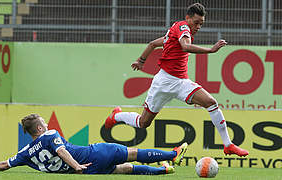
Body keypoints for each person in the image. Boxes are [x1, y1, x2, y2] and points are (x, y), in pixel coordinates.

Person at [105, 3, 248, 157]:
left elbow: (153, 44)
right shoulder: (183, 28)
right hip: (163, 83)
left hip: (181, 83)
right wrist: (211, 50)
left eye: (201, 24)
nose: (199, 26)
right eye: (196, 22)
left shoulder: (176, 30)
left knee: (211, 103)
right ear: (188, 18)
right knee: (143, 123)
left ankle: (228, 145)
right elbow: (185, 46)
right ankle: (116, 115)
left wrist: (141, 61)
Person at [0, 114, 188, 175]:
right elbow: (61, 150)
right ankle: (172, 154)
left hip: (90, 170)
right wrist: (75, 165)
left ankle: (163, 170)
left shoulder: (26, 152)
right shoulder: (50, 134)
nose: (48, 123)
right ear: (40, 129)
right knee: (132, 153)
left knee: (124, 169)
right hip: (92, 154)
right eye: (44, 122)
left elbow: (5, 164)